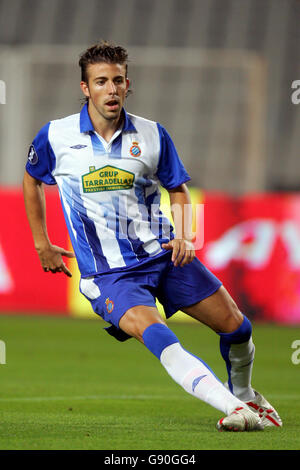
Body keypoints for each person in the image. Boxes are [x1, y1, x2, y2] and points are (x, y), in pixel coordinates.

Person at [23, 40, 282, 432]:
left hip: (163, 255)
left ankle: (245, 395)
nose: (110, 89)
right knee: (156, 332)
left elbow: (177, 187)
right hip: (110, 274)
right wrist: (41, 242)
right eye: (100, 82)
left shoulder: (152, 134)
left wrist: (186, 235)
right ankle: (235, 408)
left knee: (238, 327)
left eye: (117, 81)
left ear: (128, 84)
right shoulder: (56, 137)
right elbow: (31, 179)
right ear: (84, 88)